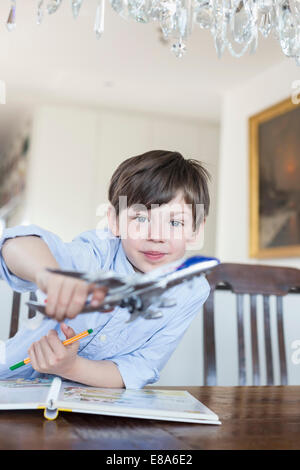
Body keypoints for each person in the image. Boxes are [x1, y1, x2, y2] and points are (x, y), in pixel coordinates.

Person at [0, 150, 211, 389]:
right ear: (114, 221)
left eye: (175, 223)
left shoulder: (192, 291)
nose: (157, 236)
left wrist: (70, 367)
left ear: (196, 229)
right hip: (13, 383)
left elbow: (138, 368)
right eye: (141, 219)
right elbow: (15, 244)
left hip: (92, 413)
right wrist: (50, 276)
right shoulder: (98, 253)